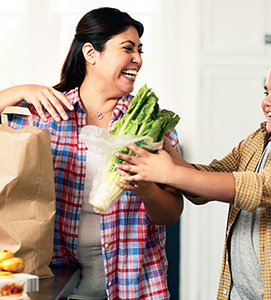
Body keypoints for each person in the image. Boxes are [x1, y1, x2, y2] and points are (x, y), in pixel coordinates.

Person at [115, 52, 271, 299]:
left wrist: (170, 172)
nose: (268, 102)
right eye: (266, 93)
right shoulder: (260, 139)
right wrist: (164, 147)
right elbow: (209, 179)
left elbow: (257, 188)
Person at [0, 7, 183, 300]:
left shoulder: (151, 125)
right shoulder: (46, 114)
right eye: (128, 48)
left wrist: (146, 188)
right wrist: (14, 92)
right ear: (90, 53)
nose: (138, 58)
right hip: (59, 281)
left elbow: (171, 214)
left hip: (135, 284)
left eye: (140, 50)